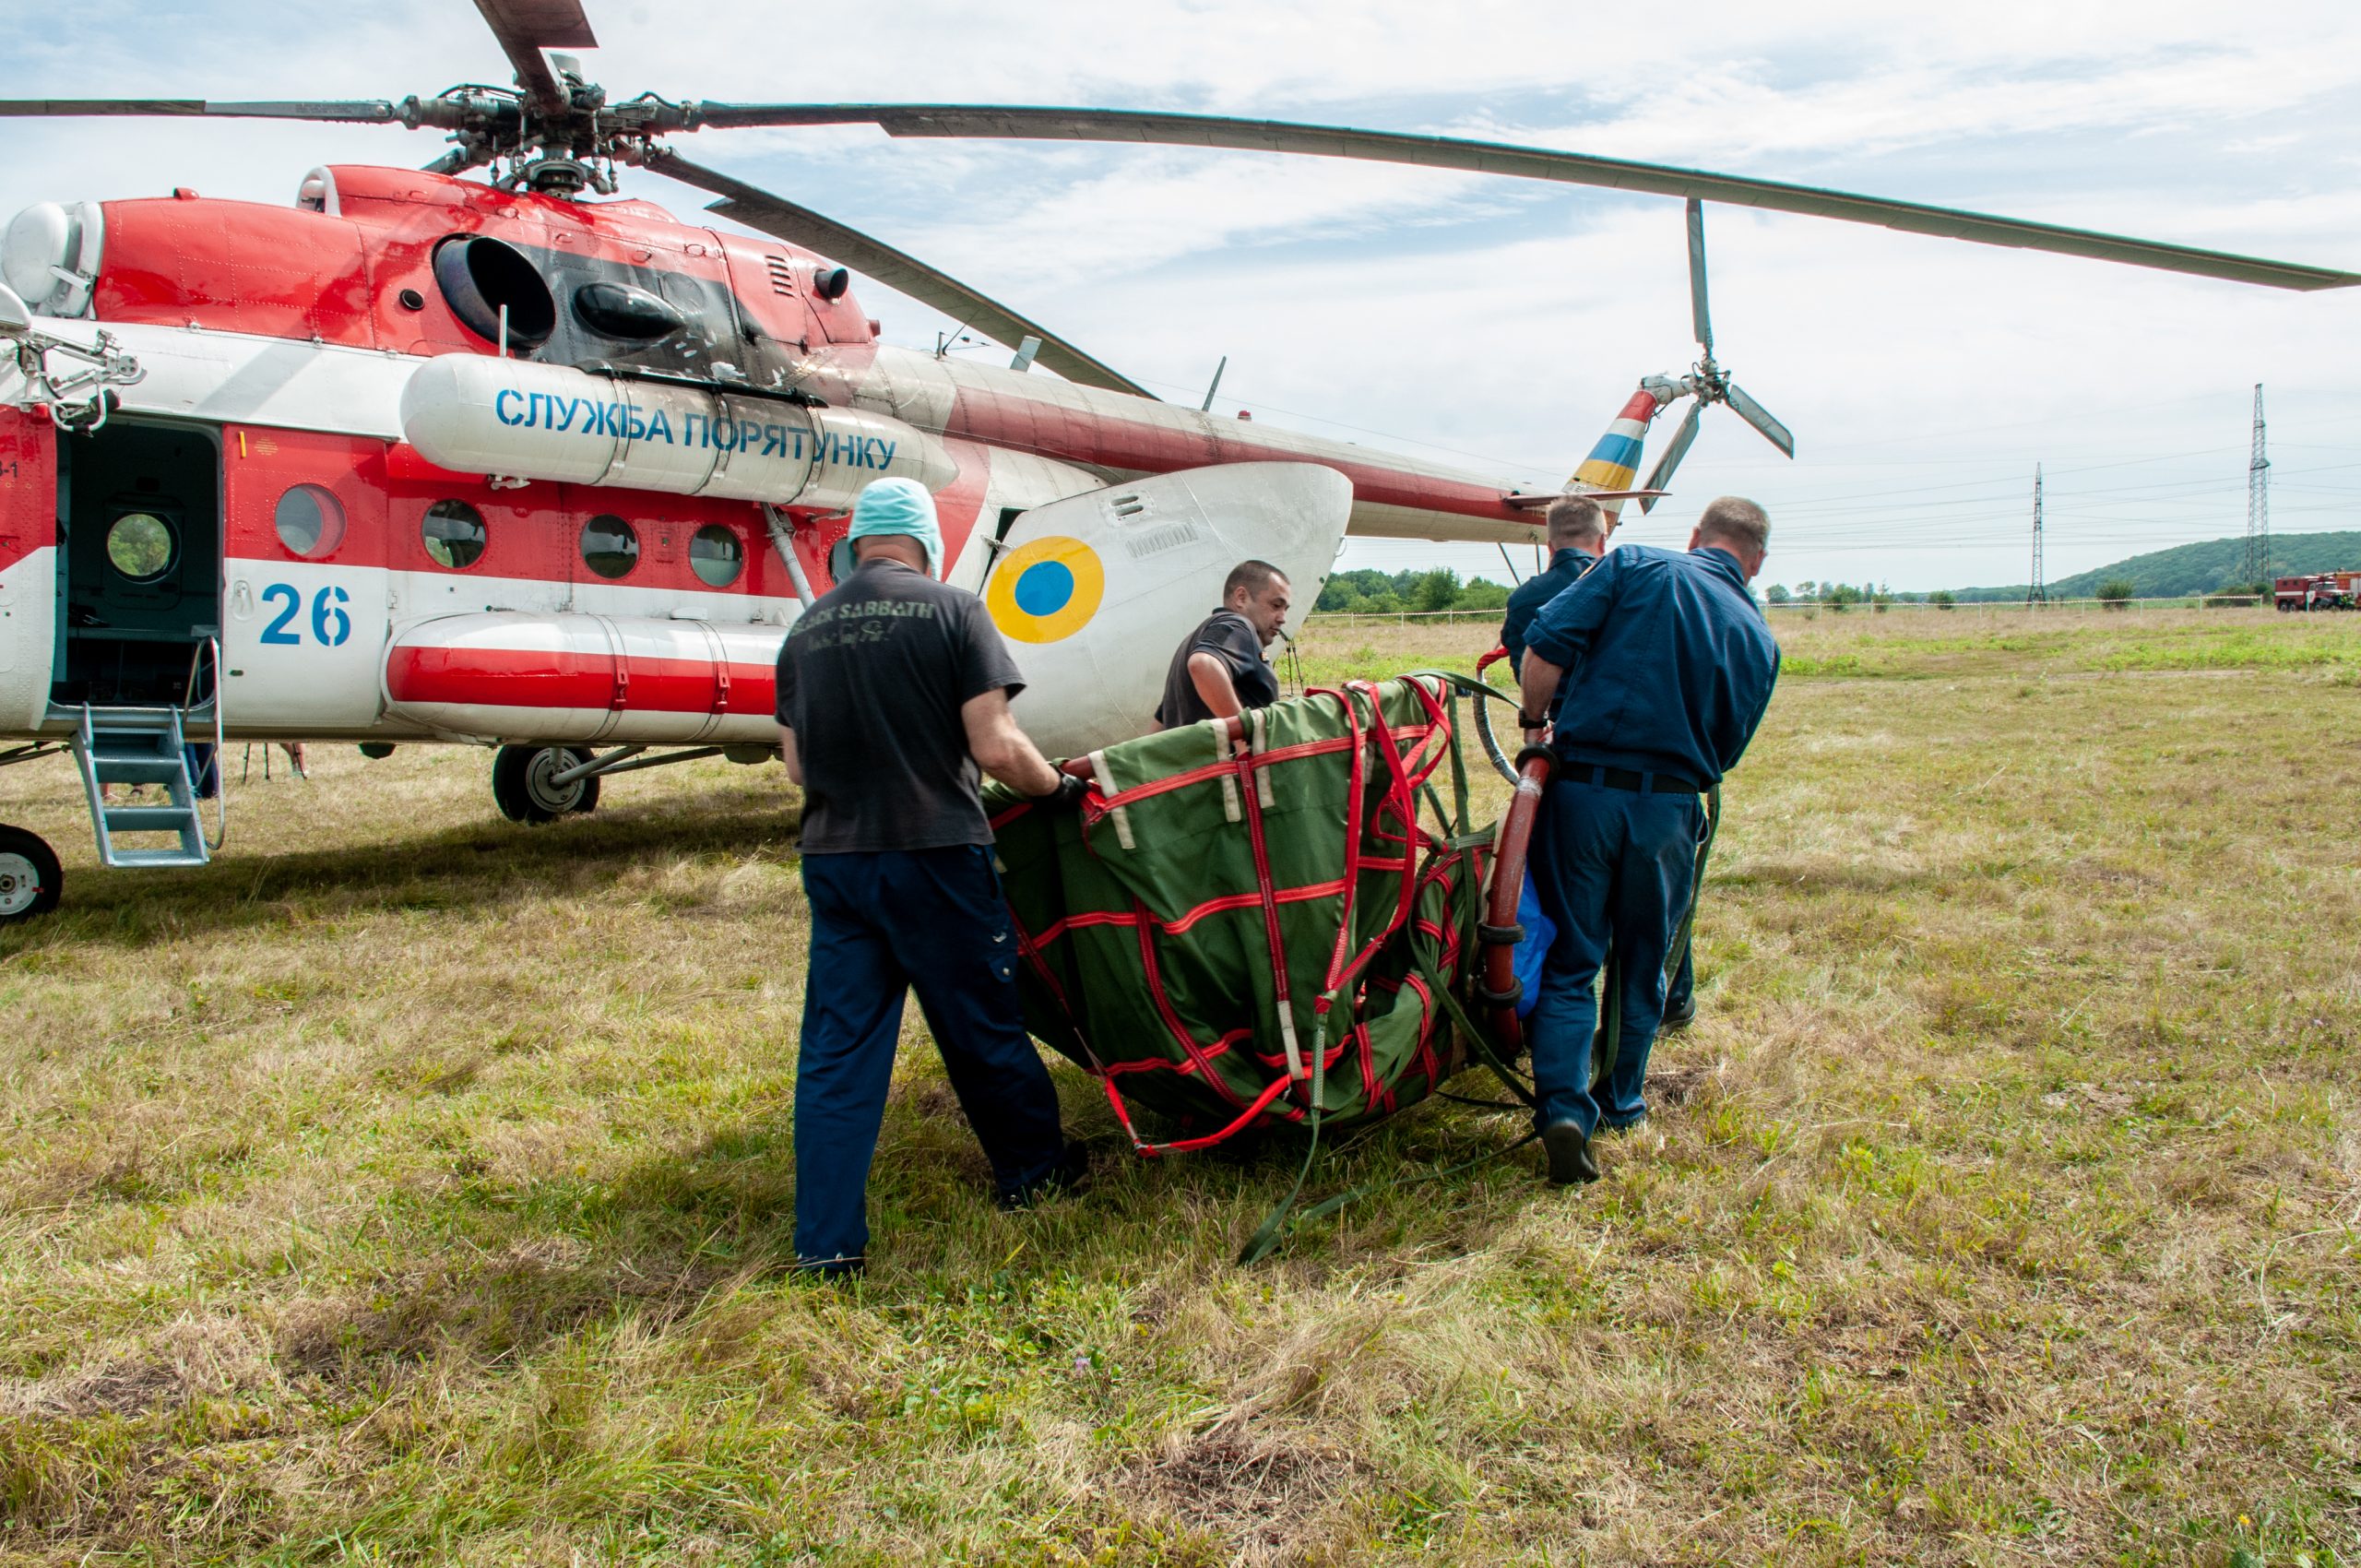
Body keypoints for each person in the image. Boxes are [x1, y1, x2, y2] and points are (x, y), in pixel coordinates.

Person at [774, 476, 1089, 1276]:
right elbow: (995, 745)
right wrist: (1058, 789)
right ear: (926, 542)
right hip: (938, 856)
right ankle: (1035, 1175)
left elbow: (797, 766)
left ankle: (827, 1244)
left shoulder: (805, 631)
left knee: (838, 1053)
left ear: (856, 543)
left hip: (837, 861)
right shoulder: (956, 612)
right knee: (981, 1025)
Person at [1515, 496, 1780, 1185]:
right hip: (1670, 810)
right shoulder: (1758, 634)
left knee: (1574, 960)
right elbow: (1730, 749)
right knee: (1642, 964)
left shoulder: (1634, 563)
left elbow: (1546, 645)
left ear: (1696, 536)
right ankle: (1623, 1103)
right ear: (1757, 562)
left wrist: (1534, 726)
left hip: (1585, 795)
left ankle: (1564, 1110)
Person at [1501, 496, 1698, 1030]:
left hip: (1565, 759)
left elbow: (1532, 662)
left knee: (1570, 889)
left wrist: (1534, 726)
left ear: (1549, 544)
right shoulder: (1645, 588)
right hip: (1650, 760)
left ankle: (1559, 1003)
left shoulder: (1529, 598)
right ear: (1602, 539)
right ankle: (1671, 995)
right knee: (1658, 896)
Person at [1153, 560, 1291, 729]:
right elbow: (1203, 664)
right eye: (1276, 605)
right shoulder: (1239, 626)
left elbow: (1161, 723)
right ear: (1241, 598)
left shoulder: (1193, 641)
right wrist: (1243, 735)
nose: (1282, 618)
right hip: (1227, 754)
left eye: (1285, 609)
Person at [1501, 494, 1607, 677]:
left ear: (1550, 547)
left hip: (1550, 705)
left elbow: (1521, 668)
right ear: (1602, 542)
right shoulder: (1627, 589)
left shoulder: (1521, 599)